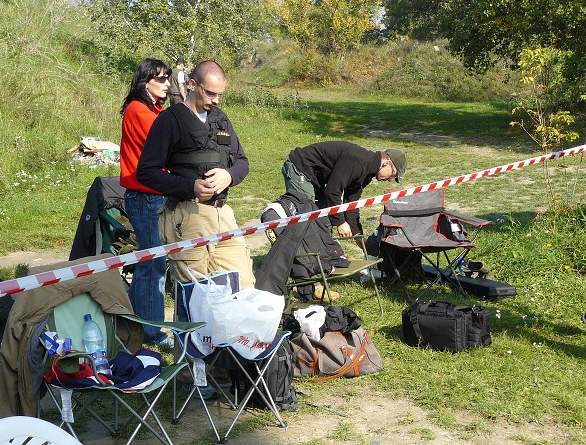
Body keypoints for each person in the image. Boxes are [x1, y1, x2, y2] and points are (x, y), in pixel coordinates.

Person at [136, 60, 255, 289]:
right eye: (211, 93)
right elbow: (146, 172)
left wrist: (229, 176)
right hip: (187, 216)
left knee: (241, 286)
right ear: (192, 84)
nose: (216, 100)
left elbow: (242, 162)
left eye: (220, 94)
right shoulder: (169, 120)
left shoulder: (221, 118)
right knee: (197, 293)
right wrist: (190, 186)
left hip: (223, 215)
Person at [119, 58, 172, 345]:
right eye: (161, 79)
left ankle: (134, 323)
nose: (166, 84)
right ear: (145, 81)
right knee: (152, 265)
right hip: (145, 197)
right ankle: (150, 331)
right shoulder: (140, 111)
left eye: (167, 78)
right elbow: (170, 144)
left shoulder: (152, 109)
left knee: (149, 264)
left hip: (150, 195)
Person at [282, 141, 406, 247]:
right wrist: (340, 223)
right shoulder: (358, 161)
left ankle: (321, 260)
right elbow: (332, 191)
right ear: (387, 163)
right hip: (300, 167)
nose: (390, 179)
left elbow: (351, 203)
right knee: (307, 218)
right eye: (393, 174)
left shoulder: (368, 173)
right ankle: (297, 260)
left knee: (325, 220)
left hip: (316, 178)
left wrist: (358, 235)